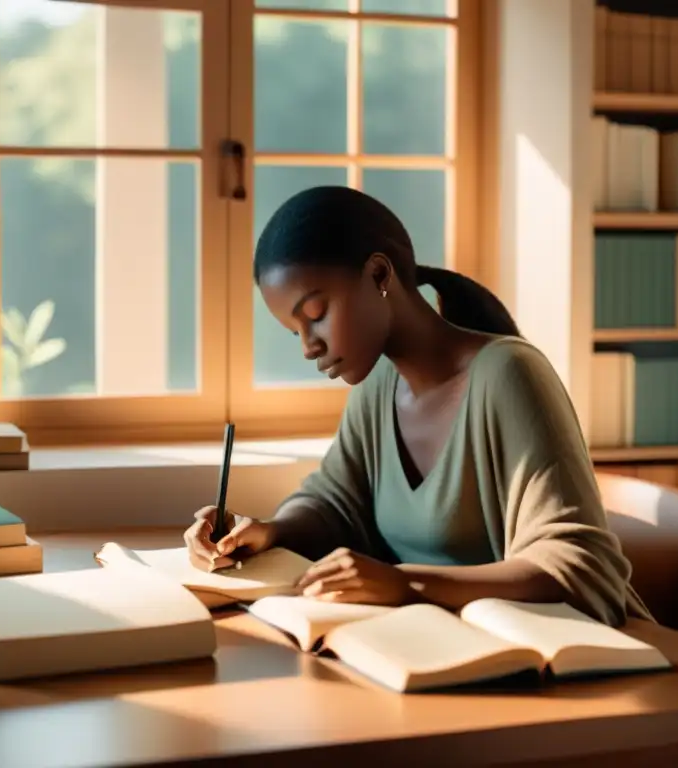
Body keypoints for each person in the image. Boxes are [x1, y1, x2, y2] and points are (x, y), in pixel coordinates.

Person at [184, 186, 651, 627]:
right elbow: (334, 503)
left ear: (379, 275)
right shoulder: (377, 386)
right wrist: (269, 532)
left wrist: (407, 583)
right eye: (295, 331)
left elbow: (583, 572)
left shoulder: (508, 375)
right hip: (431, 652)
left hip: (571, 668)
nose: (308, 347)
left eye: (316, 315)